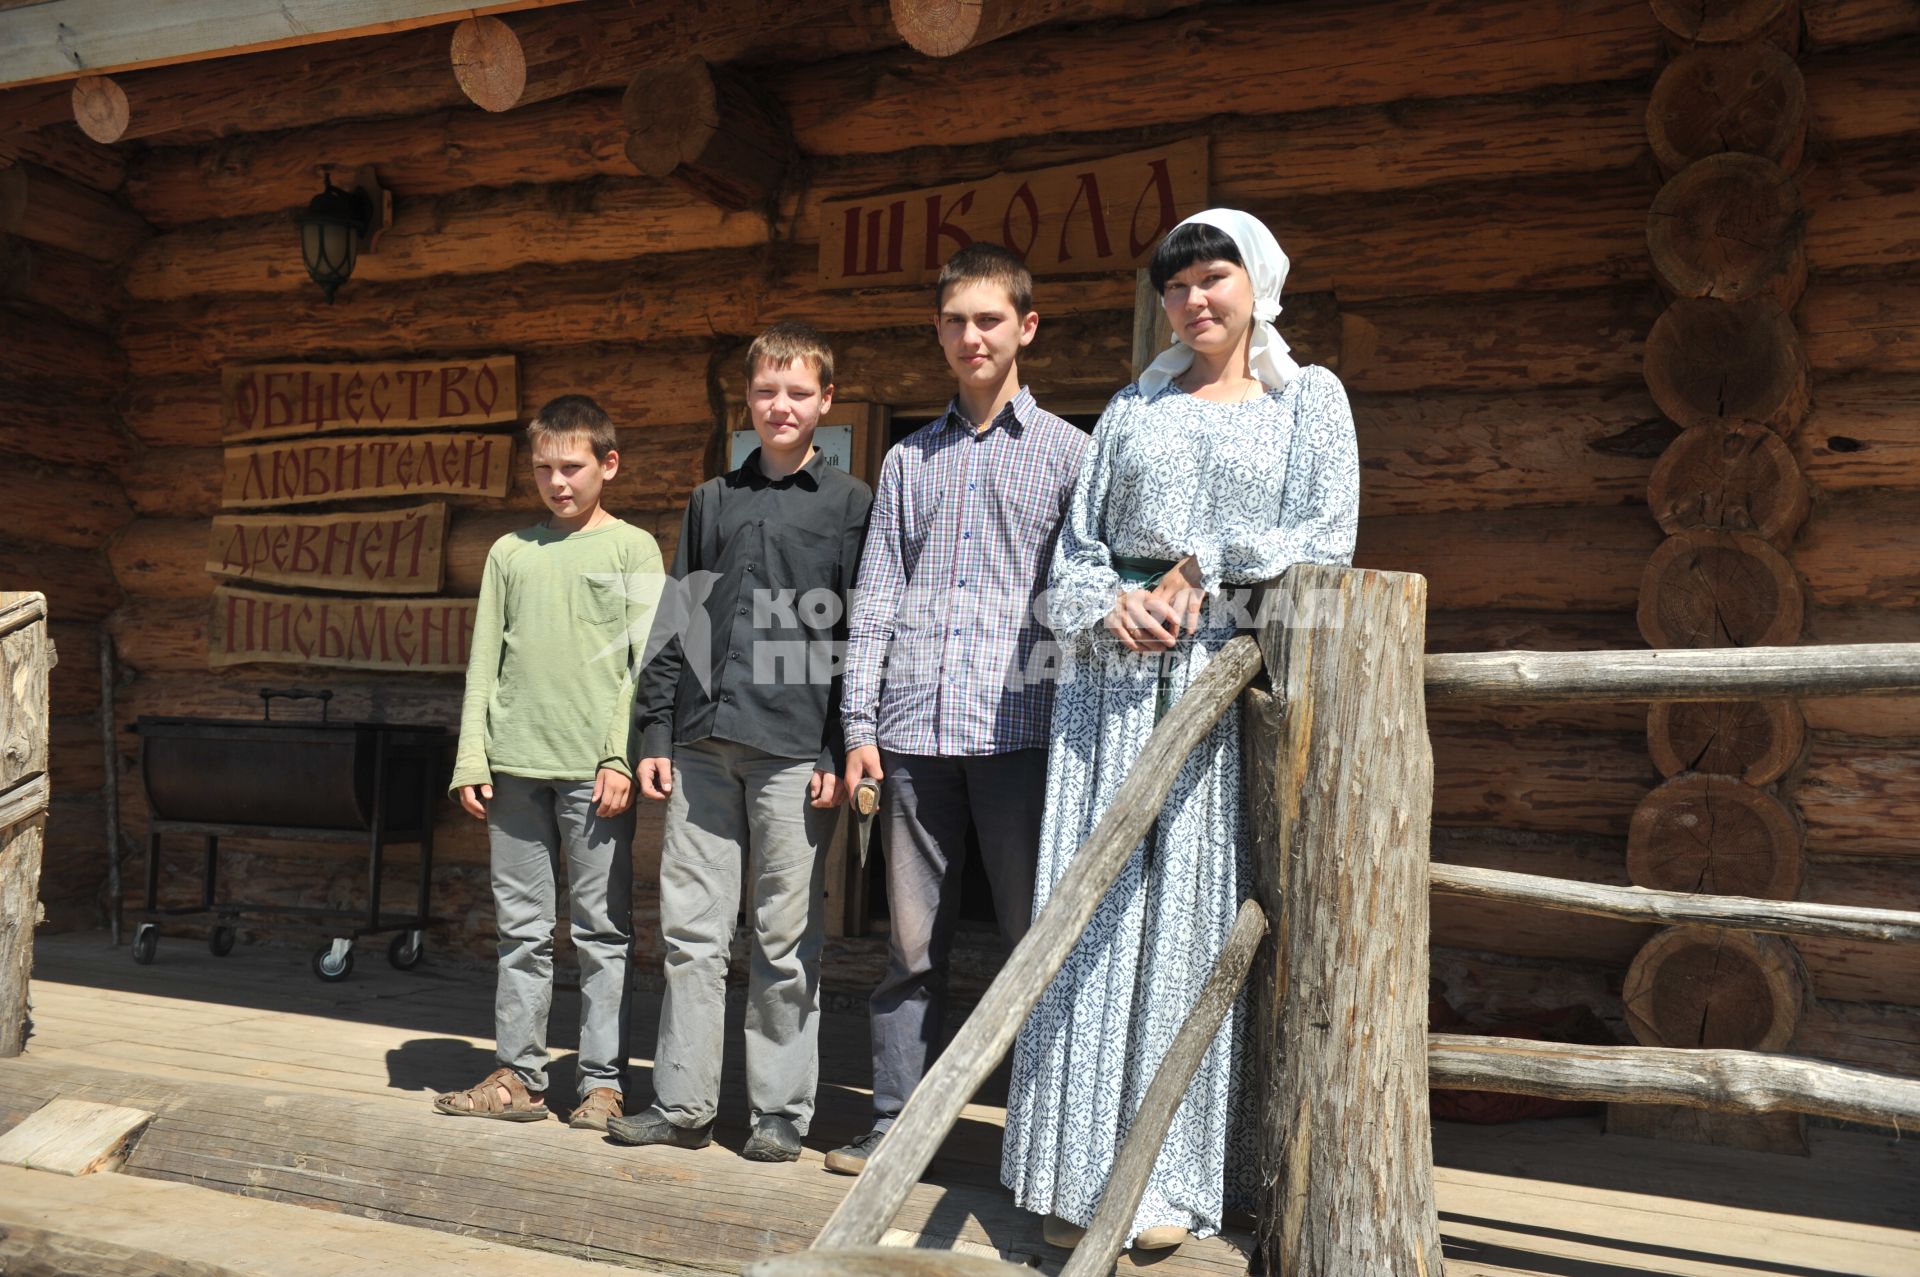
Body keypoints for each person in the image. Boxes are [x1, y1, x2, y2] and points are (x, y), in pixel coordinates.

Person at [999, 209, 1359, 1250]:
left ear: (1259, 282)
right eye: (1177, 286)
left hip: (1217, 682)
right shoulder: (1130, 408)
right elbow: (1074, 552)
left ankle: (1161, 1176)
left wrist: (1206, 564)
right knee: (1098, 916)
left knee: (1189, 923)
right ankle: (1070, 1167)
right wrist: (1107, 606)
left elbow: (1326, 534)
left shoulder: (1309, 403)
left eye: (1214, 278)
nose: (1196, 300)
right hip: (1110, 691)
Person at [827, 244, 1090, 1175]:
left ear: (1026, 326)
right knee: (908, 947)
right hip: (912, 740)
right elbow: (879, 601)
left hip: (1023, 737)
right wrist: (860, 728)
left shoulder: (1071, 453)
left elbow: (1083, 599)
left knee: (1033, 943)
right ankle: (898, 1126)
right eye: (955, 321)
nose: (971, 336)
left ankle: (1042, 1141)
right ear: (938, 332)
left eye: (989, 319)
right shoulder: (908, 460)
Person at [607, 321, 872, 1162]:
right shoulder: (710, 500)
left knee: (786, 937)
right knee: (692, 929)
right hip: (703, 741)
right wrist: (654, 726)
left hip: (797, 749)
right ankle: (683, 1104)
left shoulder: (850, 504)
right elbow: (677, 617)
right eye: (767, 392)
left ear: (825, 402)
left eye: (798, 392)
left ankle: (778, 1113)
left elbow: (859, 635)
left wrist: (839, 746)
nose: (781, 405)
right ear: (748, 402)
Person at [436, 394, 663, 1131]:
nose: (558, 481)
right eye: (544, 468)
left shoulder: (633, 549)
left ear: (609, 464)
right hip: (514, 766)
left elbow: (645, 665)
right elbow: (483, 662)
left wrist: (619, 756)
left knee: (601, 930)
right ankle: (521, 1075)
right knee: (523, 928)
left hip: (593, 771)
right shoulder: (510, 552)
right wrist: (473, 752)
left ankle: (602, 1083)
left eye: (572, 466)